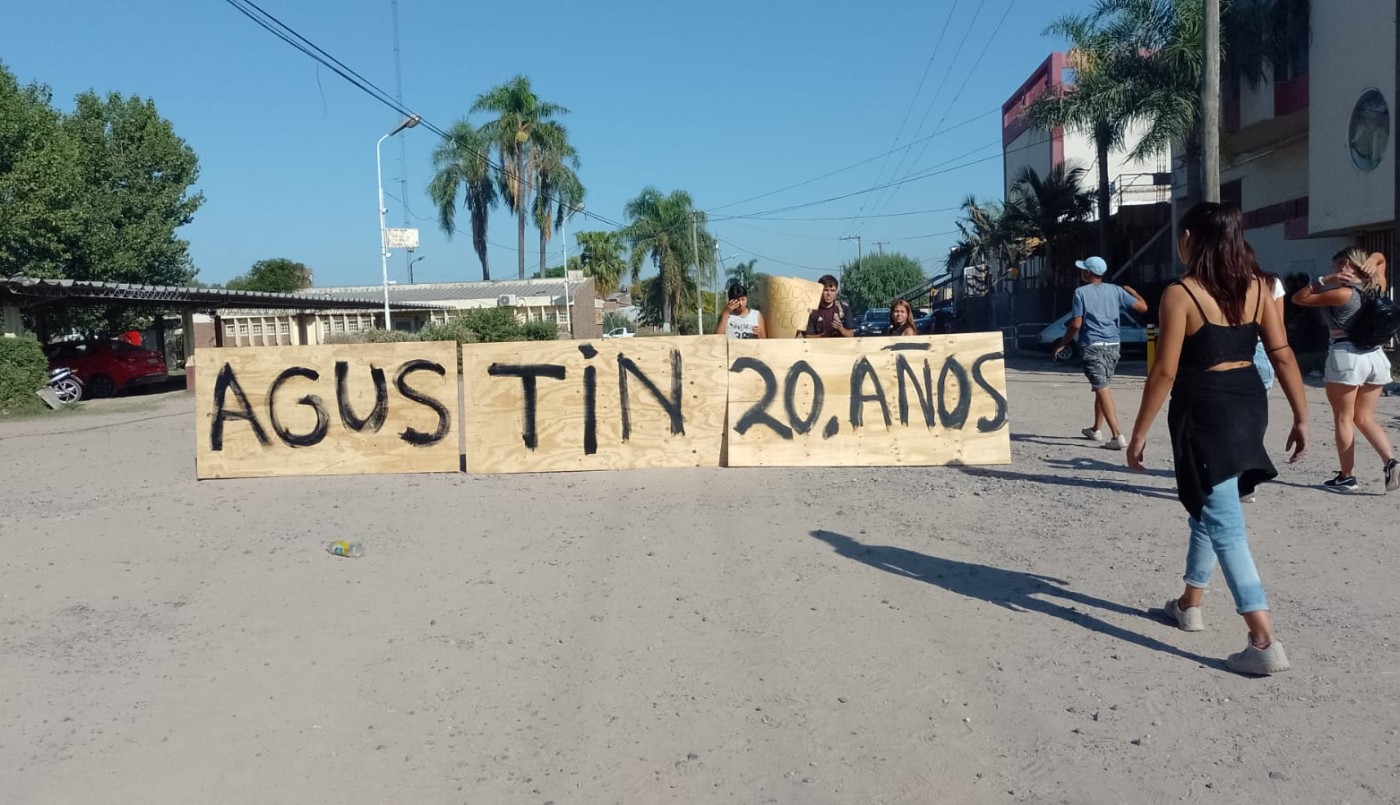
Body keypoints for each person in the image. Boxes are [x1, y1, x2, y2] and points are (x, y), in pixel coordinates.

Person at [1127, 202, 1308, 676]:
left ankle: (1263, 639)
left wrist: (1138, 433)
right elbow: (1282, 353)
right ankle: (1190, 603)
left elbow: (1164, 371)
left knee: (1225, 522)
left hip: (1204, 409)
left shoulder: (1180, 293)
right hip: (1249, 403)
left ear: (1189, 238)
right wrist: (1302, 415)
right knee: (1213, 502)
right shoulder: (1258, 287)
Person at [1291, 248, 1398, 491]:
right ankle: (1390, 461)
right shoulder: (1376, 286)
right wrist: (1373, 260)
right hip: (1376, 357)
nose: (1332, 271)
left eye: (1335, 266)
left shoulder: (1341, 294)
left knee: (1343, 417)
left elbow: (1299, 298)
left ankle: (1347, 476)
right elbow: (1381, 257)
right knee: (1365, 417)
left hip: (1346, 355)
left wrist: (1324, 281)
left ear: (1346, 265)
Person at [1049, 256, 1148, 450]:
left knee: (1102, 388)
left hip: (1092, 345)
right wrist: (1134, 293)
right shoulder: (1116, 291)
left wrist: (1062, 343)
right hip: (1113, 345)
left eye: (1083, 269)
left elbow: (1076, 323)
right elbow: (1143, 307)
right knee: (1102, 386)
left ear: (1088, 273)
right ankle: (1096, 429)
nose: (1081, 272)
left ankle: (1117, 436)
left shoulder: (1080, 292)